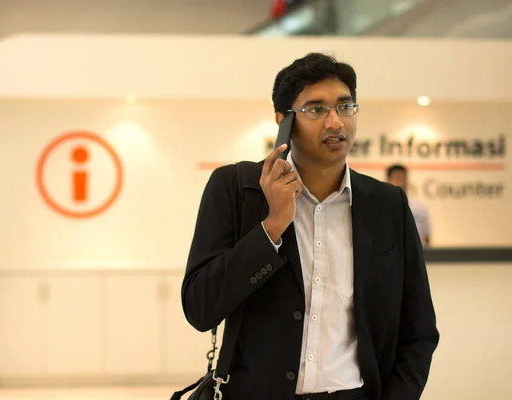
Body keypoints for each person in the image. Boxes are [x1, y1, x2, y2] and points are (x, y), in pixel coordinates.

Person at [181, 53, 439, 400]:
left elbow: (418, 328)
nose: (335, 122)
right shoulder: (238, 189)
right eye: (316, 109)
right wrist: (272, 226)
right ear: (283, 120)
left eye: (345, 107)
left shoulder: (387, 204)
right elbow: (200, 308)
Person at [385, 164, 432, 247]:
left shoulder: (420, 207)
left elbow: (426, 237)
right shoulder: (380, 208)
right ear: (387, 181)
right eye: (396, 179)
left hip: (414, 254)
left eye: (403, 178)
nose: (400, 183)